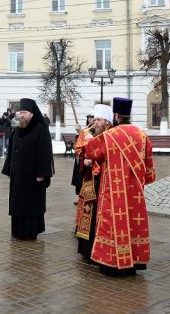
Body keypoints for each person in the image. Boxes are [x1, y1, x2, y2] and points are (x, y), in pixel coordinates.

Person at [84, 97, 155, 275]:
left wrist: (88, 137)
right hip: (135, 190)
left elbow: (91, 151)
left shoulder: (109, 136)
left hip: (113, 190)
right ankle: (135, 262)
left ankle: (112, 263)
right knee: (134, 223)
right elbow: (149, 168)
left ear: (116, 115)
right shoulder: (142, 135)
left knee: (112, 223)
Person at [1, 98, 54, 241]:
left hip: (32, 176)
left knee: (30, 203)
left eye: (24, 112)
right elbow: (11, 150)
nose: (21, 115)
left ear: (31, 113)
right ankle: (18, 231)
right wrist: (8, 169)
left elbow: (45, 153)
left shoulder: (40, 129)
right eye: (20, 112)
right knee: (18, 203)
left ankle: (30, 232)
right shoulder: (18, 129)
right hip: (18, 175)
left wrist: (42, 173)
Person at [75, 106, 109, 260]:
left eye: (99, 120)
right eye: (94, 119)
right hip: (89, 178)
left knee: (99, 215)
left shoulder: (110, 136)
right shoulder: (87, 133)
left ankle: (98, 248)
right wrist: (85, 157)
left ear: (107, 122)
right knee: (87, 211)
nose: (95, 123)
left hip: (103, 179)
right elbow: (80, 151)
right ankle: (86, 249)